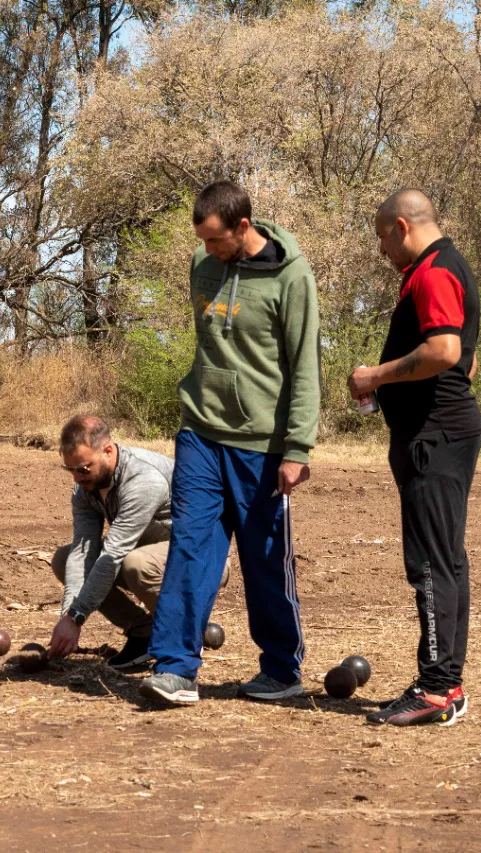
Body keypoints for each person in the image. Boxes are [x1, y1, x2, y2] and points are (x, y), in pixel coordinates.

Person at [141, 180, 320, 705]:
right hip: (200, 431)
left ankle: (282, 670)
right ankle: (175, 667)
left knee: (265, 559)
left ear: (243, 227)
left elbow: (305, 367)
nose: (208, 251)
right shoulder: (202, 264)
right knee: (190, 544)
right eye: (203, 240)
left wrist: (297, 447)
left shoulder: (292, 278)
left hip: (261, 443)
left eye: (217, 240)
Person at [348, 189, 481, 727]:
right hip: (440, 430)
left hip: (434, 437)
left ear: (400, 226)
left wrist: (376, 376)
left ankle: (435, 689)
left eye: (381, 237)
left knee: (429, 561)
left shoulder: (432, 270)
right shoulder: (447, 267)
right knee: (445, 558)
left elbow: (446, 352)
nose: (381, 249)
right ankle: (445, 682)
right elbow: (464, 364)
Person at [49, 415, 234, 671]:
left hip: (204, 559)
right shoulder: (85, 488)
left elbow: (113, 554)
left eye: (83, 468)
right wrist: (68, 616)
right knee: (64, 558)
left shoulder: (143, 480)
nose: (76, 478)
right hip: (150, 555)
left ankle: (182, 633)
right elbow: (83, 551)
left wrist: (77, 618)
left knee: (135, 564)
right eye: (70, 469)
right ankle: (144, 631)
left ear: (108, 451)